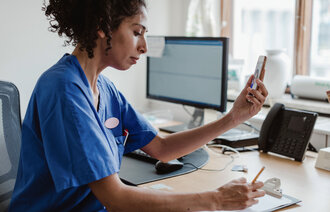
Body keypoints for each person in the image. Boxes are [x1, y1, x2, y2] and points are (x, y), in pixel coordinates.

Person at [9, 0, 268, 211]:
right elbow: (116, 199)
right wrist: (215, 199)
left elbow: (162, 149)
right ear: (102, 26)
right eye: (136, 33)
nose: (143, 46)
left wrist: (234, 117)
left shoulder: (106, 90)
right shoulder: (63, 89)